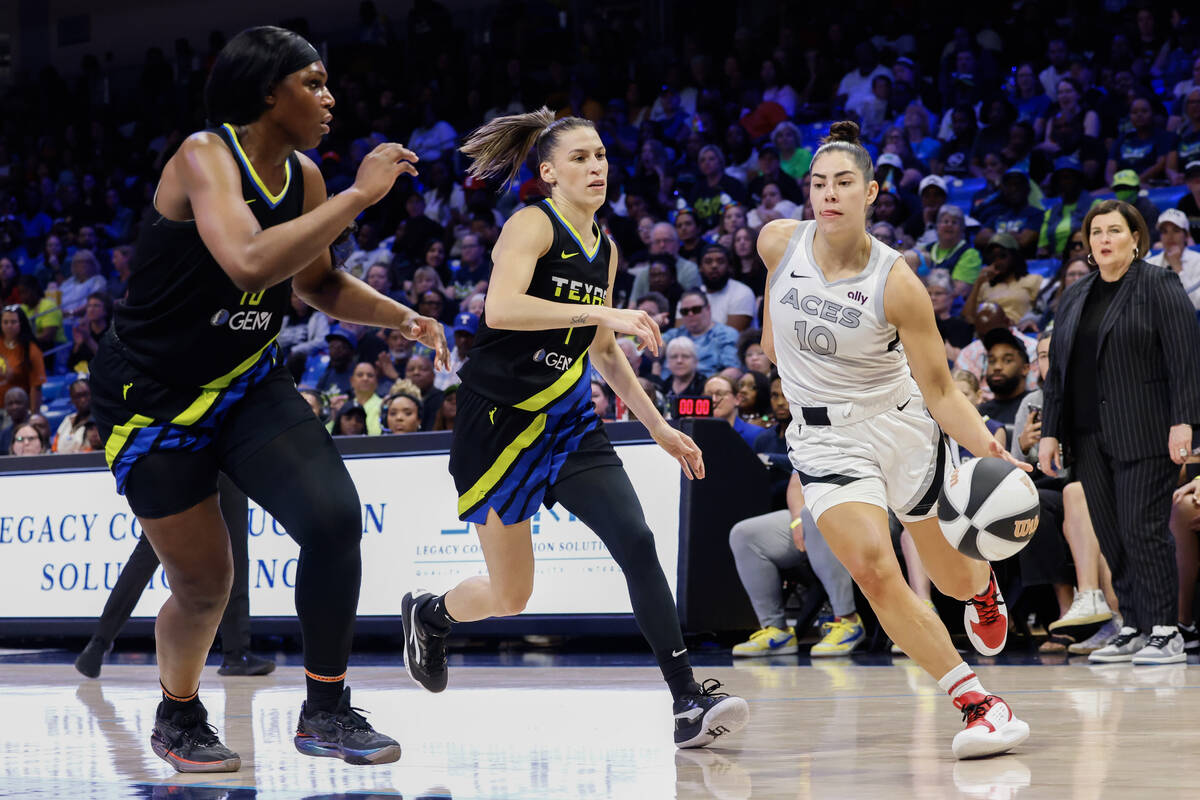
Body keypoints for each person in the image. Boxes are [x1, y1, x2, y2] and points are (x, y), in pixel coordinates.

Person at [86, 27, 448, 772]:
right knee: (203, 584)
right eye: (312, 83)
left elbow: (313, 282)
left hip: (247, 383)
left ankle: (326, 710)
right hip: (150, 397)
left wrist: (400, 316)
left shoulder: (307, 178)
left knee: (334, 517)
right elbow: (250, 259)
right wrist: (359, 195)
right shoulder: (203, 154)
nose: (329, 98)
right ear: (265, 92)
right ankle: (179, 716)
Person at [399, 107, 748, 750]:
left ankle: (686, 700)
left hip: (568, 422)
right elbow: (500, 308)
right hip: (499, 423)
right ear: (549, 172)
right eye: (581, 158)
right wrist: (605, 310)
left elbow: (604, 352)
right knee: (511, 596)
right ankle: (431, 613)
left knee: (637, 542)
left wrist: (661, 428)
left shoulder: (607, 248)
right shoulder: (530, 224)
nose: (596, 167)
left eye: (602, 157)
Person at [757, 121, 1032, 759]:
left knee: (953, 577)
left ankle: (981, 587)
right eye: (819, 183)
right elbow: (774, 337)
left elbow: (939, 391)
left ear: (871, 192)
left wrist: (990, 447)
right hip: (826, 442)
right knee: (877, 572)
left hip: (899, 424)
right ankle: (978, 703)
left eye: (844, 183)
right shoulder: (778, 242)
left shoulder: (897, 282)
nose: (829, 194)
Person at [1039, 199, 1200, 665]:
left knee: (1143, 528)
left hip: (1146, 428)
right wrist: (1051, 432)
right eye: (1096, 233)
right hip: (1088, 434)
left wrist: (1183, 421)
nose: (1104, 240)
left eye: (1114, 231)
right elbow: (1061, 373)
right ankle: (1132, 624)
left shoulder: (1158, 284)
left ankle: (1166, 629)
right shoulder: (1075, 295)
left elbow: (1185, 357)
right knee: (1111, 532)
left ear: (1135, 238)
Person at [74, 475, 275, 680]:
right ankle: (236, 653)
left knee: (148, 551)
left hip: (173, 458)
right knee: (233, 551)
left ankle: (97, 644)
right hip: (216, 460)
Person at [730, 474, 863, 657]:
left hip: (868, 508)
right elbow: (795, 484)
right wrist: (797, 521)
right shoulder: (809, 444)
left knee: (816, 513)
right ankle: (777, 630)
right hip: (815, 514)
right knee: (746, 535)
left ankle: (848, 621)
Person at [661, 289, 740, 377]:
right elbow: (654, 354)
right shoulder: (674, 334)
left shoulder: (726, 335)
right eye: (685, 311)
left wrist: (711, 386)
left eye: (696, 309)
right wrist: (651, 327)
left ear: (708, 309)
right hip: (667, 387)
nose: (690, 314)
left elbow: (734, 370)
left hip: (707, 387)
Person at [1145, 208, 1200, 311]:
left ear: (1186, 235)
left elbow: (1196, 304)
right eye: (1165, 232)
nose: (1170, 236)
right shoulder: (1149, 264)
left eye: (1176, 230)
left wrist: (1178, 268)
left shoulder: (1198, 261)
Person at [0, 304, 45, 412]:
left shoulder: (31, 349)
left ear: (21, 324)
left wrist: (34, 414)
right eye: (5, 322)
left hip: (17, 411)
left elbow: (36, 386)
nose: (9, 325)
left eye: (13, 322)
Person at [704, 374, 760, 449]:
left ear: (737, 399)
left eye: (720, 394)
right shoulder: (695, 433)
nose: (713, 399)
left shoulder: (756, 434)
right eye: (708, 395)